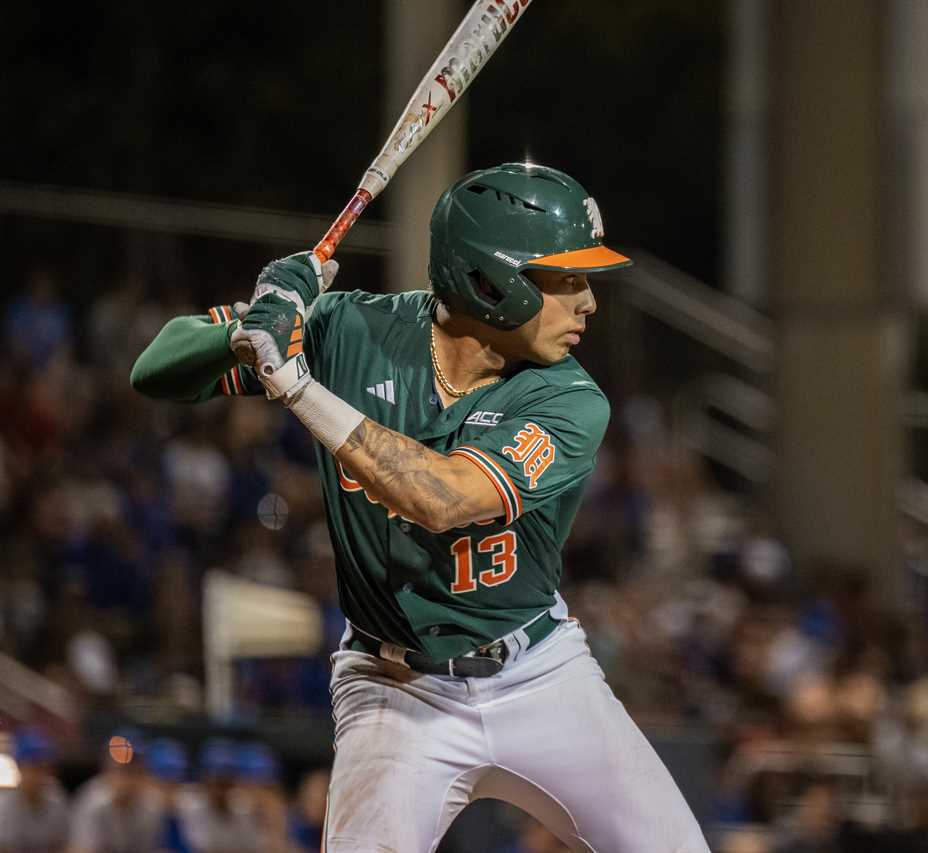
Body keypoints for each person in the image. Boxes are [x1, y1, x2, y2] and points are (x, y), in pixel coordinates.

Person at [131, 162, 709, 852]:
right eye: (566, 278)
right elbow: (155, 368)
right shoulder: (349, 330)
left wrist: (296, 388)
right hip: (392, 686)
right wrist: (257, 322)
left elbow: (443, 497)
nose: (588, 302)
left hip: (539, 673)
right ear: (492, 279)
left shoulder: (570, 396)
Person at [0, 728, 69, 853]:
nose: (41, 775)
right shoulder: (4, 806)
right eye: (35, 768)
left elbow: (66, 846)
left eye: (45, 768)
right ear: (19, 767)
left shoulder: (56, 799)